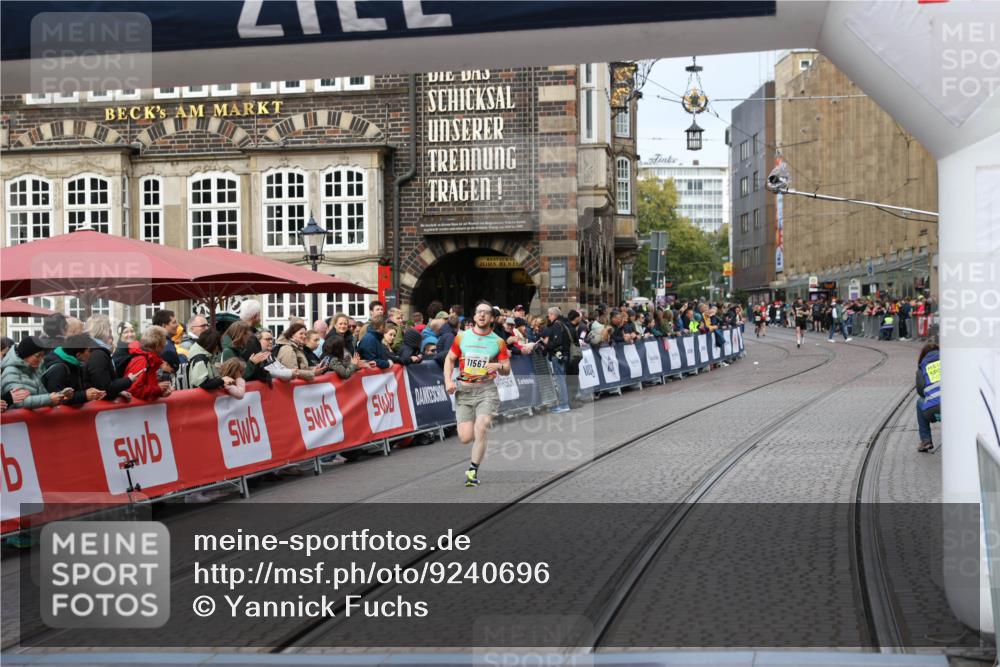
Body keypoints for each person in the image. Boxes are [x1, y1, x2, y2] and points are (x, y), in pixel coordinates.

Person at [443, 301, 511, 487]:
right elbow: (450, 360)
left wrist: (498, 365)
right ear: (474, 317)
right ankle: (476, 439)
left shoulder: (498, 342)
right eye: (479, 312)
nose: (482, 315)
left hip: (486, 390)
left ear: (491, 318)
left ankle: (472, 471)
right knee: (466, 437)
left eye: (486, 313)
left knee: (481, 427)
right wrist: (448, 380)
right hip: (464, 391)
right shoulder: (462, 337)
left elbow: (506, 369)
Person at [1, 337, 72, 409]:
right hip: (20, 420)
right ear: (26, 354)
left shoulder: (33, 369)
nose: (41, 360)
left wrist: (60, 396)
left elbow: (43, 395)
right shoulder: (11, 371)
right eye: (37, 356)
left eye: (42, 356)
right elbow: (20, 402)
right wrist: (49, 399)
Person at [39, 334, 107, 405]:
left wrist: (92, 393)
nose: (91, 353)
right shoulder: (58, 368)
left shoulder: (74, 363)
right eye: (89, 351)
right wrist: (85, 395)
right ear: (78, 355)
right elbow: (57, 398)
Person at [83, 315, 135, 400]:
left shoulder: (96, 350)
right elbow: (104, 387)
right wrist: (128, 380)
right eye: (109, 328)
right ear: (103, 330)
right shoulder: (98, 353)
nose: (111, 331)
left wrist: (118, 392)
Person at [123, 326, 173, 401]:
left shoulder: (149, 359)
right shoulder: (142, 360)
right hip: (137, 411)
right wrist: (157, 389)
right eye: (163, 343)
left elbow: (146, 386)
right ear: (157, 345)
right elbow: (133, 390)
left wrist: (160, 392)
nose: (164, 347)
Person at [540, 306, 573, 413]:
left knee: (560, 380)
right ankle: (564, 403)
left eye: (549, 315)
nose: (548, 317)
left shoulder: (556, 325)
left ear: (553, 315)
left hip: (558, 355)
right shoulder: (563, 324)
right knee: (561, 379)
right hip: (564, 354)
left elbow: (556, 342)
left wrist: (546, 344)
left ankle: (564, 404)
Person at [916, 343, 941, 452]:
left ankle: (926, 441)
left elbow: (921, 392)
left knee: (919, 402)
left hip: (933, 410)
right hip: (953, 408)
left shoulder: (922, 367)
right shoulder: (951, 361)